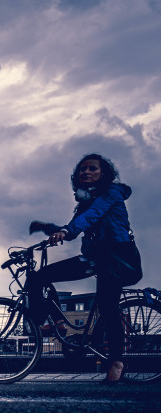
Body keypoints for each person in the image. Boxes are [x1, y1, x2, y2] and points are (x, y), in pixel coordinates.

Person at [28, 154, 141, 383]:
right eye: (82, 169)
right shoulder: (85, 201)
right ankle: (52, 323)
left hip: (116, 259)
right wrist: (49, 228)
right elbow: (73, 228)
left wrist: (67, 231)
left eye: (92, 168)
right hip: (93, 258)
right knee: (41, 276)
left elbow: (92, 216)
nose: (86, 172)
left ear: (104, 173)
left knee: (108, 308)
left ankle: (117, 363)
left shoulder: (112, 193)